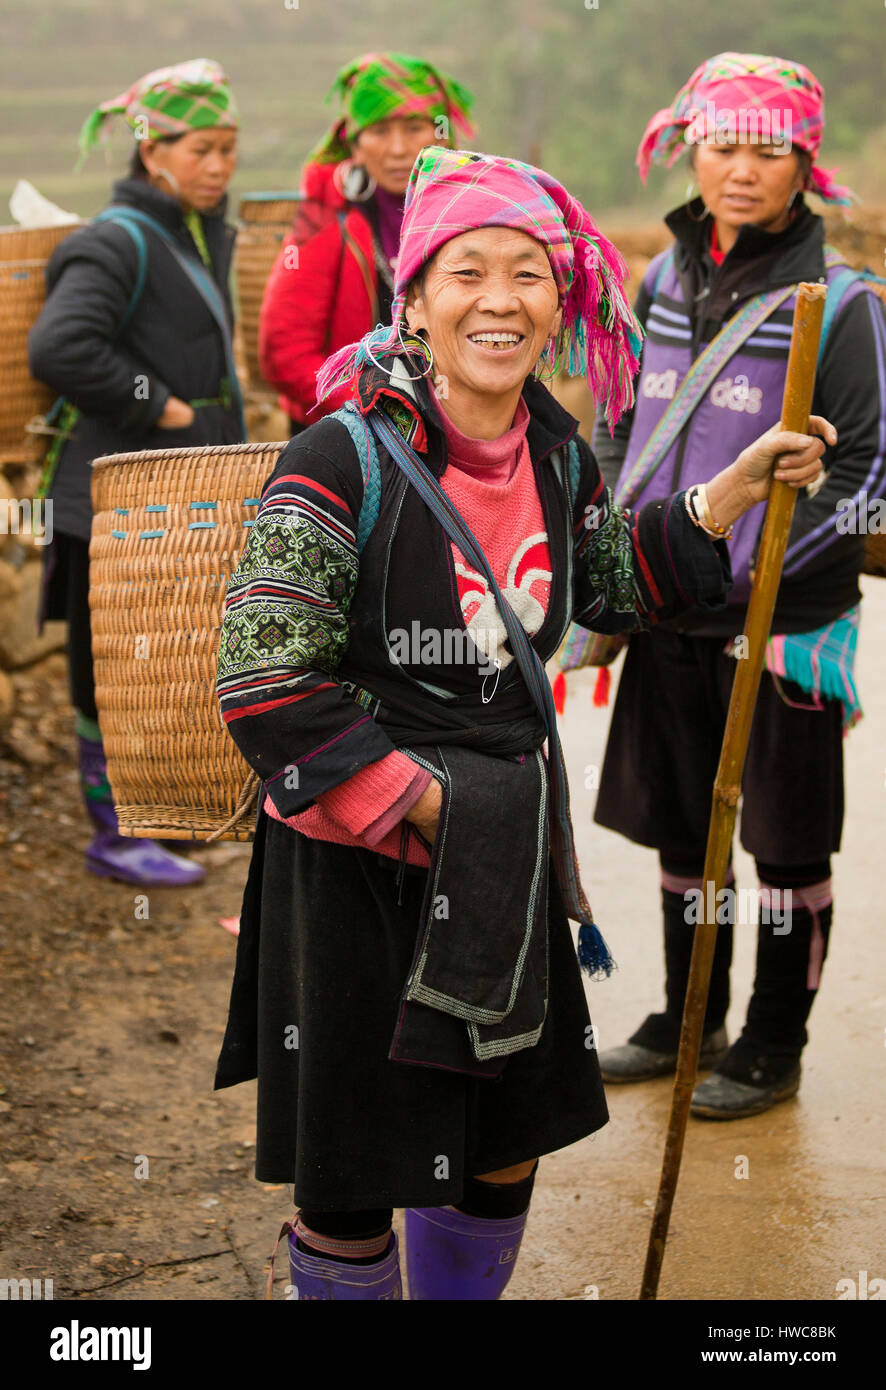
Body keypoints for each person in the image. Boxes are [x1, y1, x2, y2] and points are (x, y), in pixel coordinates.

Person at [212, 144, 828, 1301]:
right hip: (359, 869)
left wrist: (732, 488)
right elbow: (262, 676)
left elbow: (604, 585)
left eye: (528, 274)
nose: (500, 300)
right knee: (356, 1172)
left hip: (501, 847)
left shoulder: (553, 447)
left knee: (498, 1151)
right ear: (417, 297)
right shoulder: (336, 457)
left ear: (563, 297)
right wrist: (430, 802)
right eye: (466, 272)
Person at [588, 53, 886, 1117]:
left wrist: (764, 562)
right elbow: (619, 424)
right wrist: (624, 547)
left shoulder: (842, 304)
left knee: (784, 842)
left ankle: (771, 1039)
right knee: (683, 829)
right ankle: (686, 1013)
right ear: (687, 150)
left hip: (778, 623)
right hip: (671, 599)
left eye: (768, 149)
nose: (742, 169)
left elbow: (866, 477)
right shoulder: (657, 284)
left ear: (806, 161)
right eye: (722, 145)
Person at [28, 58, 244, 887]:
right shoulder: (116, 240)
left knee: (157, 667)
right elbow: (61, 346)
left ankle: (157, 821)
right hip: (107, 500)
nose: (220, 166)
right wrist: (167, 408)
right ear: (152, 152)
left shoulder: (187, 234)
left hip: (164, 502)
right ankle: (110, 836)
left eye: (229, 149)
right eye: (203, 150)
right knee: (104, 670)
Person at [257, 51, 475, 433]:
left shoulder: (470, 219)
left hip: (454, 430)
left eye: (413, 128)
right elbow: (285, 354)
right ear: (355, 145)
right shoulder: (324, 220)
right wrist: (376, 404)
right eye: (378, 131)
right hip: (350, 437)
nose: (397, 148)